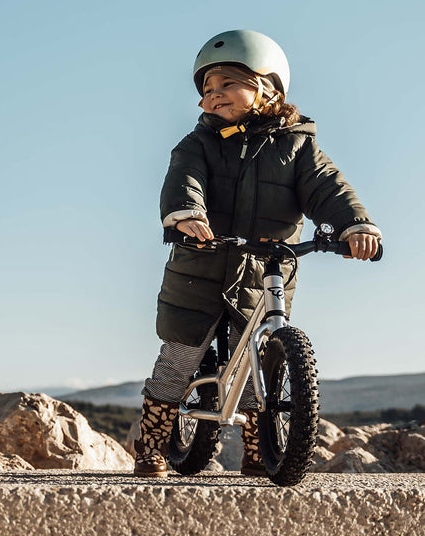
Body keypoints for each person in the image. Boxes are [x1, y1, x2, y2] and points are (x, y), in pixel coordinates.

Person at [135, 29, 381, 477]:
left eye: (226, 84)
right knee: (181, 355)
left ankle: (259, 448)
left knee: (259, 359)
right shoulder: (200, 144)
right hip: (201, 262)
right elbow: (182, 179)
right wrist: (186, 215)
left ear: (267, 86)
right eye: (207, 90)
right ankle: (153, 445)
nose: (213, 97)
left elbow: (328, 188)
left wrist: (355, 225)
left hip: (265, 269)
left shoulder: (298, 146)